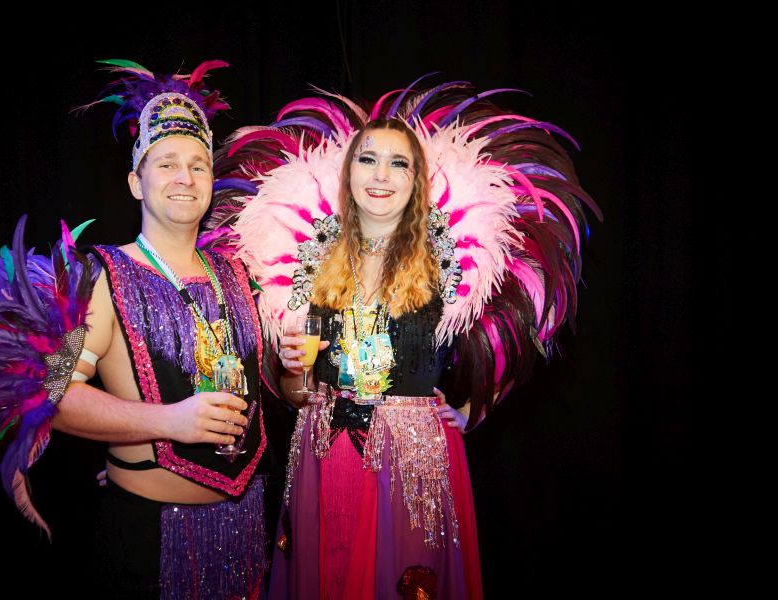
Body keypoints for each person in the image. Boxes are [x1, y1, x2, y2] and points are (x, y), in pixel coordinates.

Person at [215, 79, 599, 599]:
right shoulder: (310, 263)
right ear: (348, 173)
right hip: (324, 454)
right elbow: (295, 392)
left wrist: (472, 409)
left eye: (399, 163)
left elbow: (523, 321)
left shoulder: (450, 263)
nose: (381, 175)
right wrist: (294, 373)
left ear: (416, 180)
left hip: (410, 462)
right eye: (367, 160)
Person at [0, 60, 268, 600]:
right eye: (166, 163)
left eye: (198, 165)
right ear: (135, 183)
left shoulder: (238, 274)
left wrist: (293, 374)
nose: (185, 177)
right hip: (151, 539)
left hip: (247, 530)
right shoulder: (101, 276)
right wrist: (169, 421)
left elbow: (268, 391)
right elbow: (51, 393)